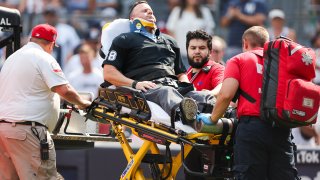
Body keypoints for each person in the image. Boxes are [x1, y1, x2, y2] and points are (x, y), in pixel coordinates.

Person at [196, 26, 299, 179]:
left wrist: (212, 119)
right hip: (281, 130)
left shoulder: (239, 60)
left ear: (245, 43)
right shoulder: (280, 64)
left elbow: (226, 95)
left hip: (252, 130)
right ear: (267, 43)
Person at [0, 24, 91, 179]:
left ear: (31, 39)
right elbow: (65, 90)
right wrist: (84, 103)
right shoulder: (43, 57)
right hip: (27, 131)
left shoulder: (12, 58)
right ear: (51, 44)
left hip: (4, 131)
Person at [103, 1, 214, 123]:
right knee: (166, 92)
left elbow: (181, 73)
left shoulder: (170, 41)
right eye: (144, 11)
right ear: (133, 18)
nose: (150, 12)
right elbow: (109, 73)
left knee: (204, 97)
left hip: (174, 87)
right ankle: (190, 118)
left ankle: (219, 116)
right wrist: (135, 84)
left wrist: (189, 88)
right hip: (149, 88)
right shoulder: (124, 39)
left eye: (151, 11)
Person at [184, 29, 225, 180]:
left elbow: (221, 89)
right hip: (189, 139)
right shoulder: (186, 74)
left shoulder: (216, 68)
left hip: (210, 139)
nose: (197, 52)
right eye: (193, 48)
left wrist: (206, 94)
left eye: (202, 48)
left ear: (209, 51)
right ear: (187, 49)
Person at [166, 0, 215, 68]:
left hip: (199, 56)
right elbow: (170, 30)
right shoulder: (177, 11)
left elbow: (209, 34)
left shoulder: (205, 11)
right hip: (180, 55)